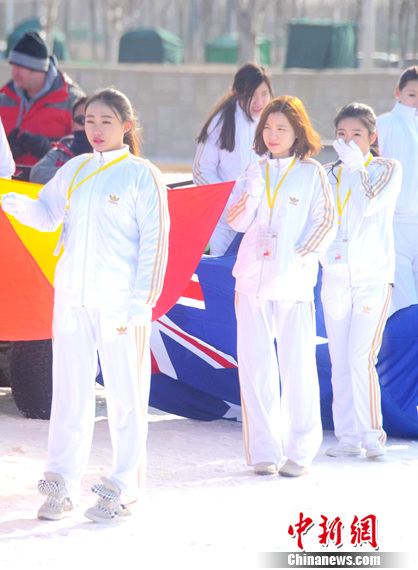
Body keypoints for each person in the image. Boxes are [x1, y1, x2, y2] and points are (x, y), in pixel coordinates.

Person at [1, 87, 170, 522]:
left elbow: (155, 242)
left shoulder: (141, 175)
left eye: (106, 122)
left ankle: (123, 487)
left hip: (119, 304)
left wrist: (141, 302)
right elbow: (47, 215)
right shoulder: (74, 169)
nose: (95, 129)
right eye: (89, 121)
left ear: (126, 127)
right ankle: (61, 483)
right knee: (70, 394)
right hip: (72, 298)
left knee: (124, 397)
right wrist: (16, 203)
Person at [227, 95, 337, 477]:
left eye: (282, 129)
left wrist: (298, 257)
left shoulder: (312, 173)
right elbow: (236, 222)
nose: (273, 135)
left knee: (297, 368)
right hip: (251, 281)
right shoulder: (252, 170)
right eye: (268, 127)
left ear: (297, 133)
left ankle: (301, 452)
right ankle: (264, 451)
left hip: (293, 284)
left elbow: (325, 222)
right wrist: (253, 190)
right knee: (256, 367)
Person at [321, 103, 402, 459]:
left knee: (359, 356)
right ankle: (347, 437)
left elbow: (371, 203)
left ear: (373, 137)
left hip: (372, 277)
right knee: (339, 358)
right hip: (335, 277)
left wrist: (357, 168)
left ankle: (372, 434)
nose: (348, 141)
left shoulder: (387, 168)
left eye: (356, 134)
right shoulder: (327, 173)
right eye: (341, 134)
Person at [193, 63, 274, 255]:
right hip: (227, 222)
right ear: (236, 93)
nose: (258, 101)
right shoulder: (222, 122)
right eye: (251, 95)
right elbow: (202, 170)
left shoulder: (276, 121)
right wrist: (230, 202)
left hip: (265, 223)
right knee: (229, 279)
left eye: (264, 93)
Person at [0, 30, 84, 175]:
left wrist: (49, 150)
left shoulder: (72, 102)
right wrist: (5, 149)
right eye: (13, 66)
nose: (13, 73)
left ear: (38, 69)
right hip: (8, 188)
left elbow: (87, 151)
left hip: (51, 190)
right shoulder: (4, 98)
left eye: (19, 67)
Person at [377, 66, 418, 315]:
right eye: (412, 95)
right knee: (405, 305)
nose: (416, 102)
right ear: (398, 92)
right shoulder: (386, 123)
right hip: (395, 225)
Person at [30, 96, 92, 184]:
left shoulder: (107, 153)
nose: (86, 127)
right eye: (81, 120)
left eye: (91, 121)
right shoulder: (61, 150)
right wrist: (79, 173)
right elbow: (36, 175)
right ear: (72, 124)